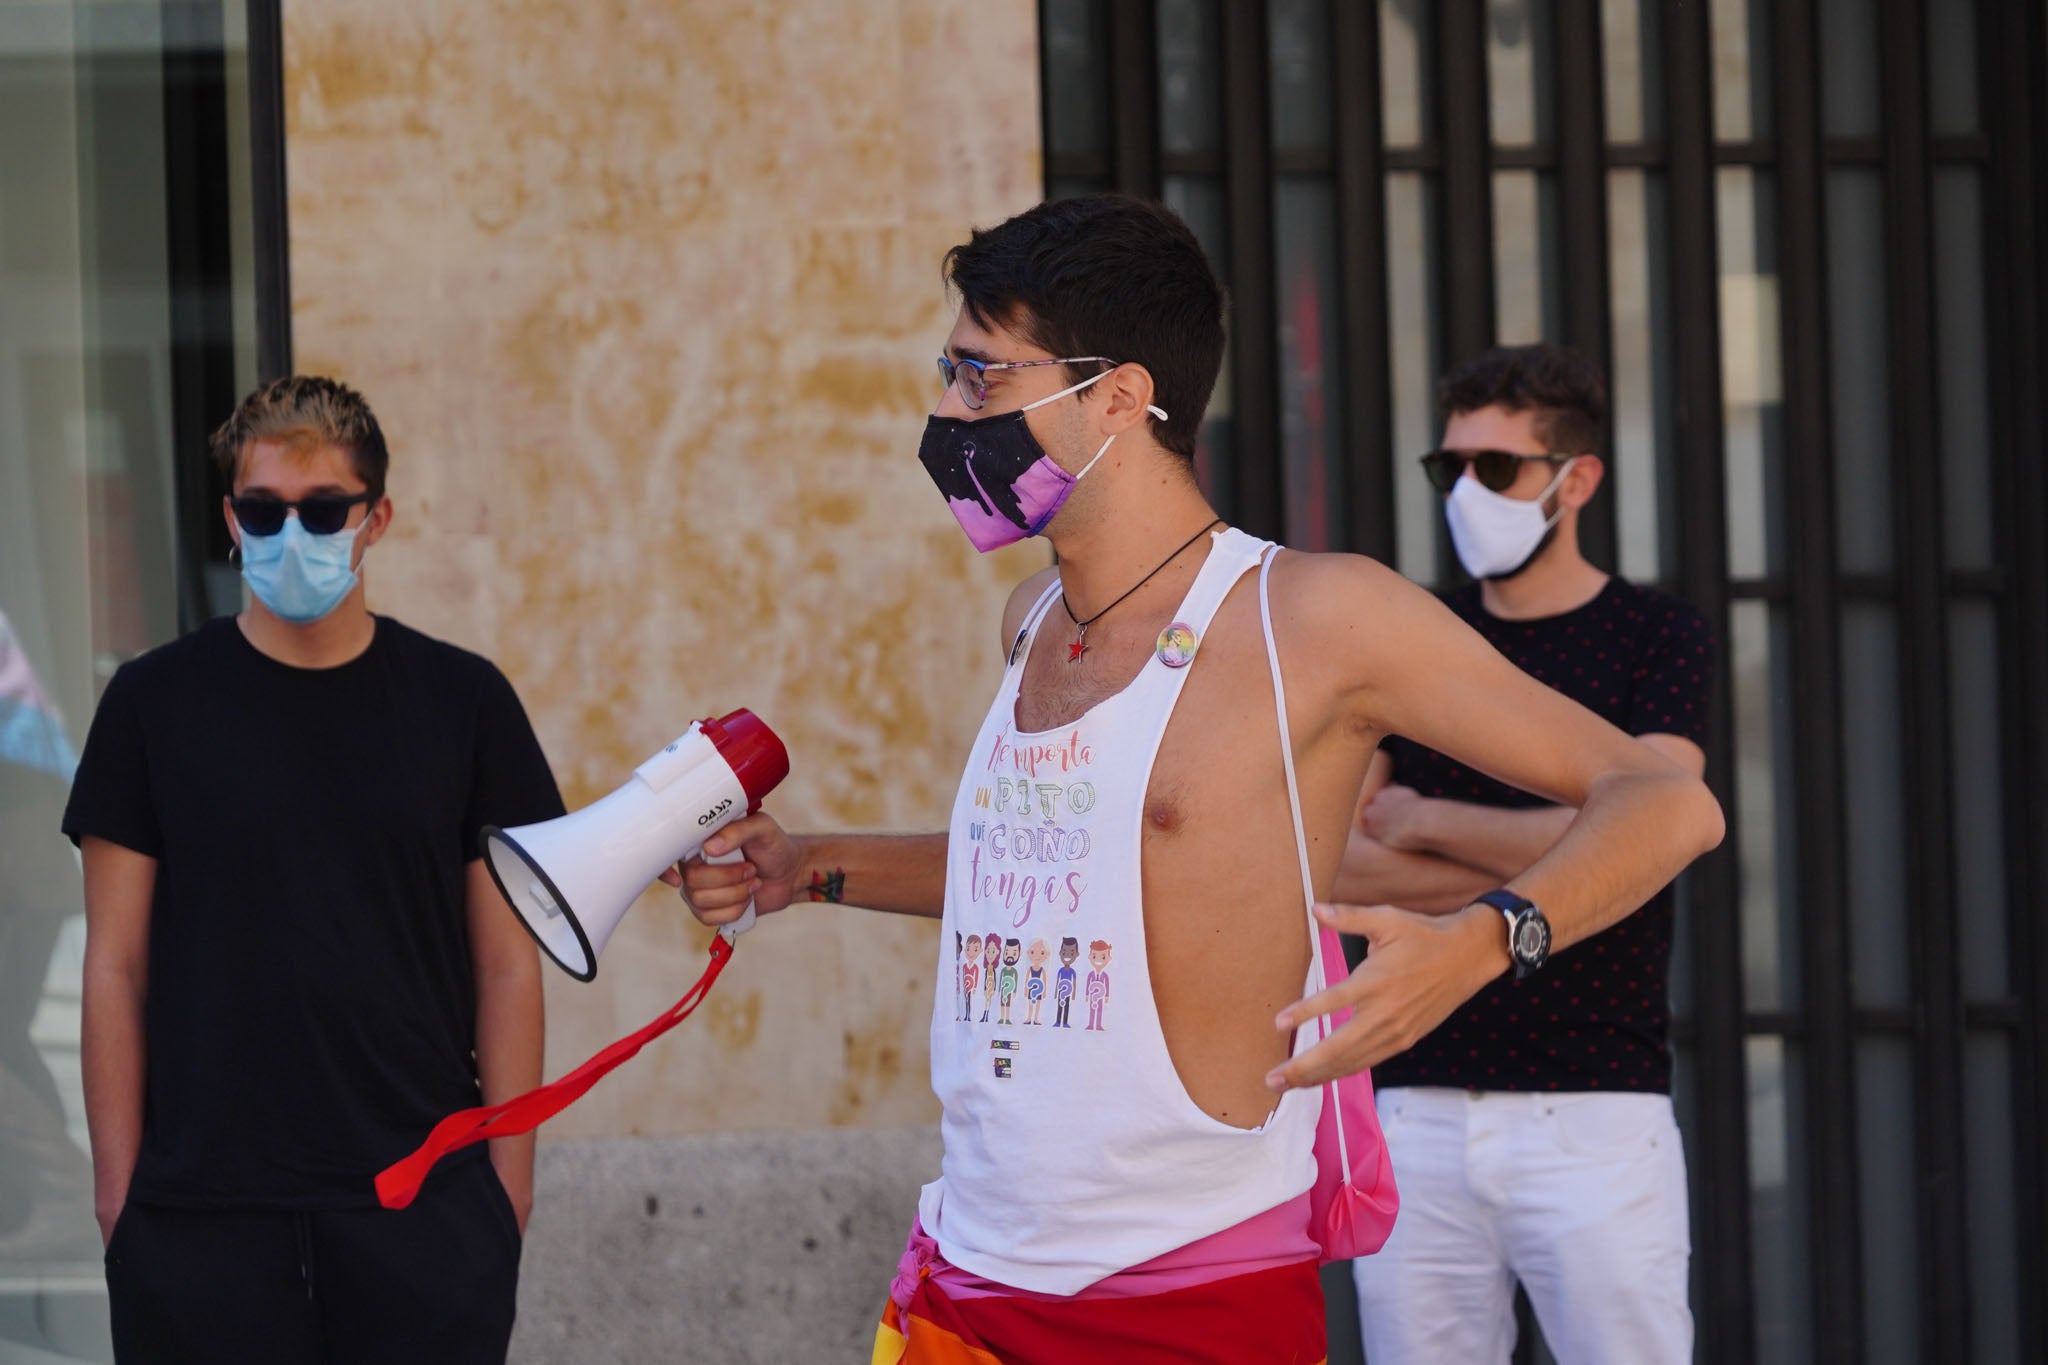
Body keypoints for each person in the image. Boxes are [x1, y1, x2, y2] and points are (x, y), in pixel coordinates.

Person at [676, 195, 1723, 1364]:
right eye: (948, 372)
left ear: (1117, 397)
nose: (945, 412)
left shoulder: (1313, 616)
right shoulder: (1030, 617)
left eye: (980, 379)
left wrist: (1483, 944)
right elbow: (1060, 877)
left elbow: (1666, 801)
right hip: (961, 1277)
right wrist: (804, 867)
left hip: (1185, 1299)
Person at [62, 376, 564, 1363]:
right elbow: (112, 967)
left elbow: (509, 965)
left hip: (425, 1214)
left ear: (375, 519)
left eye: (322, 510)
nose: (291, 535)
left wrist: (504, 1197)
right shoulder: (149, 706)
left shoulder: (464, 704)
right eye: (262, 510)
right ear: (229, 518)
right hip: (198, 1219)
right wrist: (121, 1205)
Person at [1342, 345, 1712, 1363]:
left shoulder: (1654, 637)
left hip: (1593, 1108)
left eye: (1494, 468)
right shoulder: (1414, 642)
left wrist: (1424, 821)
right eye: (1446, 467)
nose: (1466, 492)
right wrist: (1578, 852)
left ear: (1574, 478)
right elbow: (1332, 868)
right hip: (1412, 1100)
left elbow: (1658, 836)